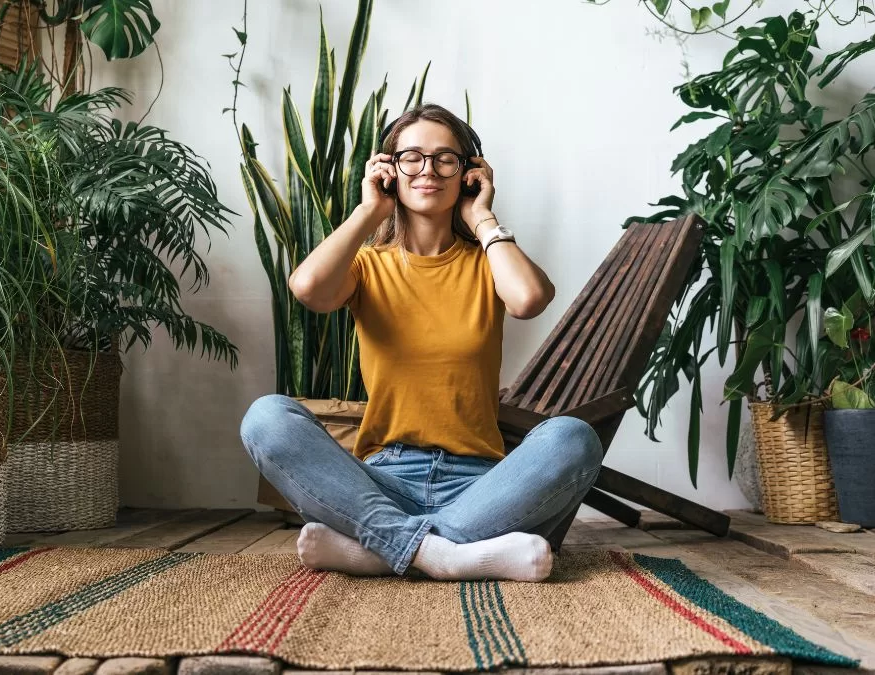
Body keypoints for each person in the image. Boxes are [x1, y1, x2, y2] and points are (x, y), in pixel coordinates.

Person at [240, 103, 603, 582]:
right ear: (389, 171)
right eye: (411, 157)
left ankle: (380, 549)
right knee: (266, 417)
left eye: (445, 158)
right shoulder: (368, 267)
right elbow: (308, 288)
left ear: (469, 172)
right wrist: (369, 211)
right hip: (382, 481)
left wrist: (483, 218)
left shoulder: (488, 262)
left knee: (572, 438)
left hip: (483, 485)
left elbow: (529, 299)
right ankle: (449, 556)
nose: (427, 169)